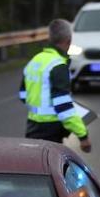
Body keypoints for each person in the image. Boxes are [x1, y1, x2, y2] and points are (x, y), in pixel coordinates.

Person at [18, 19, 91, 151]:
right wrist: (83, 135)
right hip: (51, 130)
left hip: (33, 126)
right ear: (68, 40)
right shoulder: (58, 66)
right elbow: (64, 108)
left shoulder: (35, 60)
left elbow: (23, 95)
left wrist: (38, 110)